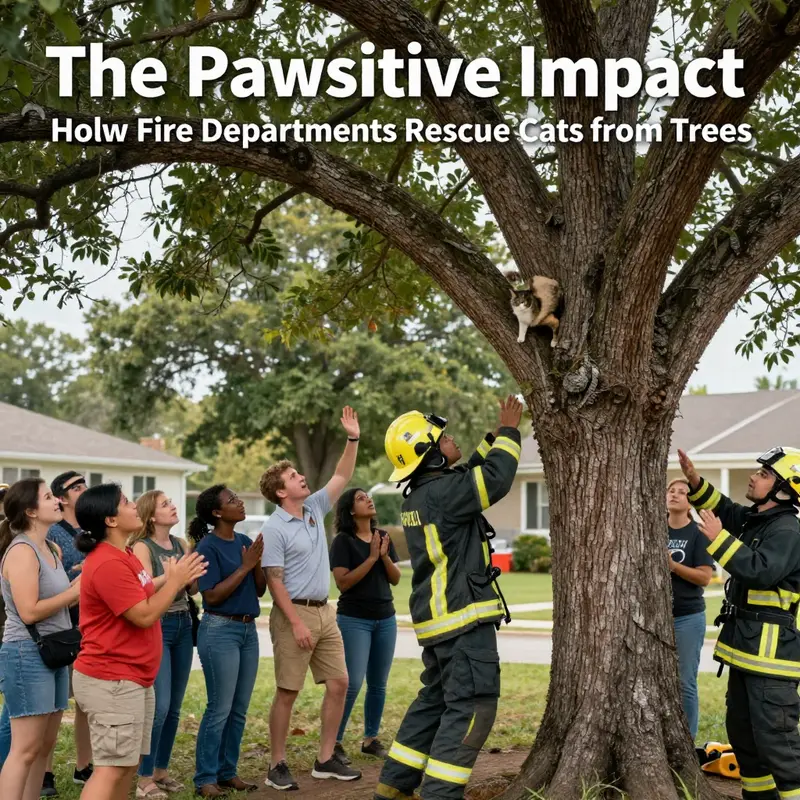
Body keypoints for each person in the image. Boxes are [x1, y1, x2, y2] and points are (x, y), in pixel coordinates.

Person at [375, 396, 522, 800]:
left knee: (435, 701)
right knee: (473, 706)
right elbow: (492, 480)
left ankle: (393, 786)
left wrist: (489, 438)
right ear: (430, 455)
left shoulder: (422, 495)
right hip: (461, 619)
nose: (452, 439)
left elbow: (463, 480)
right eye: (443, 438)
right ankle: (440, 794)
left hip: (438, 620)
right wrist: (510, 430)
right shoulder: (444, 494)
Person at [678, 446, 800, 800]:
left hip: (771, 661)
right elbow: (729, 512)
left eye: (764, 475)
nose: (754, 476)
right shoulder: (760, 520)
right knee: (745, 743)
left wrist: (718, 540)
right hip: (745, 654)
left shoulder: (788, 531)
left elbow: (761, 571)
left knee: (779, 746)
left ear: (784, 489)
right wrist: (696, 482)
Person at [72, 483, 207, 800]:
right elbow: (144, 615)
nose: (135, 506)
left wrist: (177, 575)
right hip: (112, 681)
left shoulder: (126, 555)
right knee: (110, 769)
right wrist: (174, 583)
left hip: (132, 678)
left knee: (126, 766)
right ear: (111, 520)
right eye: (126, 502)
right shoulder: (107, 562)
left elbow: (142, 593)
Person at [261, 406, 363, 790]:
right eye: (293, 477)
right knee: (288, 691)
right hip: (295, 615)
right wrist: (297, 622)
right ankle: (277, 764)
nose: (302, 478)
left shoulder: (314, 509)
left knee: (339, 683)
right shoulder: (275, 528)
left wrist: (352, 438)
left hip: (326, 613)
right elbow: (275, 581)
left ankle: (324, 759)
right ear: (280, 491)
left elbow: (341, 475)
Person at [0, 478, 81, 800]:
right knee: (25, 748)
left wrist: (78, 582)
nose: (56, 501)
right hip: (26, 654)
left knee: (44, 746)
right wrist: (75, 592)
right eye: (49, 497)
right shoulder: (21, 550)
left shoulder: (51, 548)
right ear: (31, 511)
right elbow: (29, 612)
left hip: (53, 652)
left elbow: (56, 597)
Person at [189, 485, 267, 798]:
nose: (239, 502)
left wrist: (257, 562)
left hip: (249, 631)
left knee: (239, 708)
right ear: (217, 513)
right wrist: (247, 566)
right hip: (220, 629)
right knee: (219, 707)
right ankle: (205, 778)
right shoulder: (207, 547)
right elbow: (212, 595)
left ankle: (227, 772)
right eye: (232, 500)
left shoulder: (245, 542)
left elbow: (259, 590)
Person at [131, 491, 198, 798]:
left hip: (184, 622)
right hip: (159, 625)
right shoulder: (143, 548)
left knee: (174, 708)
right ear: (151, 516)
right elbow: (142, 589)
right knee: (160, 705)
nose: (173, 507)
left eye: (172, 502)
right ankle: (143, 778)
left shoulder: (181, 544)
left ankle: (161, 771)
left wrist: (192, 575)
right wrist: (175, 577)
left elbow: (191, 588)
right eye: (165, 505)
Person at [329, 488, 401, 763]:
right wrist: (371, 558)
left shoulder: (383, 537)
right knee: (353, 682)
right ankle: (333, 742)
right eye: (361, 498)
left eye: (368, 496)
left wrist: (382, 556)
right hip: (354, 619)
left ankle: (370, 739)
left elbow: (394, 579)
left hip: (386, 617)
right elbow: (343, 582)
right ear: (350, 510)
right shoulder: (343, 542)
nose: (368, 499)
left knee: (378, 684)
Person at [44, 471, 93, 795]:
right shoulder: (52, 533)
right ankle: (45, 772)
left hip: (92, 626)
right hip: (61, 628)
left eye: (84, 484)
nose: (84, 490)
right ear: (60, 497)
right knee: (53, 704)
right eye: (76, 487)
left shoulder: (96, 527)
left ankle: (83, 766)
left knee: (87, 702)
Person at [666, 478, 713, 741]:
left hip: (688, 617)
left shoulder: (697, 534)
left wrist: (673, 566)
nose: (675, 495)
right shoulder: (653, 529)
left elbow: (704, 577)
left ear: (690, 502)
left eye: (682, 492)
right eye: (671, 491)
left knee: (685, 684)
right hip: (654, 618)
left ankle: (687, 742)